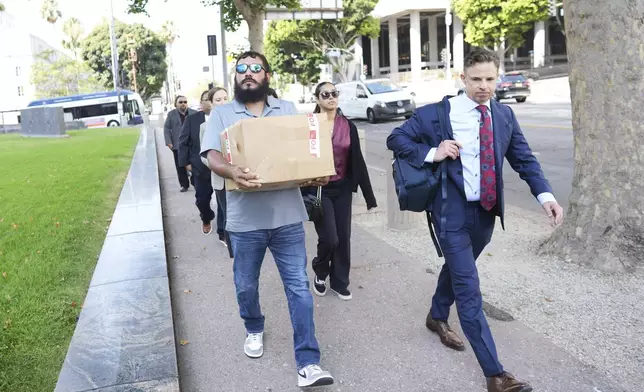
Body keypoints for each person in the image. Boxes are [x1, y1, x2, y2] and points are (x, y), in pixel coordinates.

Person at [386, 48, 564, 392]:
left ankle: (436, 316)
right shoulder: (439, 113)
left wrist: (547, 198)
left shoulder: (503, 115)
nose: (484, 86)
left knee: (457, 269)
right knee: (469, 288)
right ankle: (495, 374)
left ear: (497, 78)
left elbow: (524, 160)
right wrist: (432, 153)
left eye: (490, 79)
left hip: (485, 214)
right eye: (476, 79)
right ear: (462, 78)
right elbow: (397, 138)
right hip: (450, 212)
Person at [200, 51, 334, 388]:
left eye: (255, 68)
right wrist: (230, 169)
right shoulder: (222, 113)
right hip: (245, 221)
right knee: (246, 285)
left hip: (287, 216)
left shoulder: (287, 109)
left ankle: (308, 361)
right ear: (236, 77)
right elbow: (210, 155)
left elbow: (302, 155)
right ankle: (254, 326)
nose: (248, 74)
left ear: (267, 76)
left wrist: (313, 174)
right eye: (241, 69)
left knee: (299, 289)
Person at [302, 82, 377, 301]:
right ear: (317, 99)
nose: (331, 97)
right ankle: (320, 270)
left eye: (334, 93)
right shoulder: (309, 126)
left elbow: (358, 162)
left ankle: (340, 281)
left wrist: (369, 195)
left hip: (342, 188)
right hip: (320, 189)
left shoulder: (348, 126)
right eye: (325, 94)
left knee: (343, 237)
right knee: (330, 238)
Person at [177, 89, 218, 235]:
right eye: (206, 99)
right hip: (200, 167)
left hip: (223, 167)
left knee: (226, 202)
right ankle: (206, 218)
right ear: (201, 103)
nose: (210, 101)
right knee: (202, 199)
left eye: (213, 98)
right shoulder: (192, 120)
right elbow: (182, 142)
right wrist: (186, 163)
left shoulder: (225, 118)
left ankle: (223, 233)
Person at [164, 95, 196, 192]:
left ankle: (195, 182)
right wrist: (168, 142)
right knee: (180, 166)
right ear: (176, 104)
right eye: (180, 102)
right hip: (177, 145)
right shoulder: (171, 114)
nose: (183, 104)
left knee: (194, 163)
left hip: (192, 144)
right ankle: (184, 185)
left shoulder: (194, 113)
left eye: (185, 102)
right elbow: (166, 128)